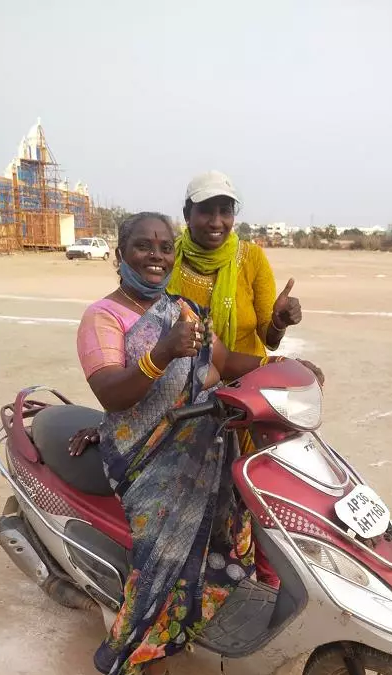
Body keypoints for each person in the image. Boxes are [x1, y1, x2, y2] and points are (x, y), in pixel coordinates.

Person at [75, 212, 323, 675]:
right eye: (143, 246)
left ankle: (192, 620)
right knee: (160, 562)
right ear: (121, 252)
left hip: (202, 444)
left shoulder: (184, 311)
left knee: (237, 530)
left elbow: (229, 362)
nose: (156, 255)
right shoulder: (103, 318)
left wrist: (280, 364)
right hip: (145, 459)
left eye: (164, 246)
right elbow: (112, 394)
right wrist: (160, 351)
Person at [168, 171, 303, 587]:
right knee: (196, 496)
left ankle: (268, 582)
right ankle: (202, 579)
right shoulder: (167, 257)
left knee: (260, 491)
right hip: (189, 398)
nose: (216, 221)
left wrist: (279, 322)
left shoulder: (251, 259)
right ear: (188, 214)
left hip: (247, 396)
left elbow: (267, 334)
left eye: (225, 211)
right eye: (206, 211)